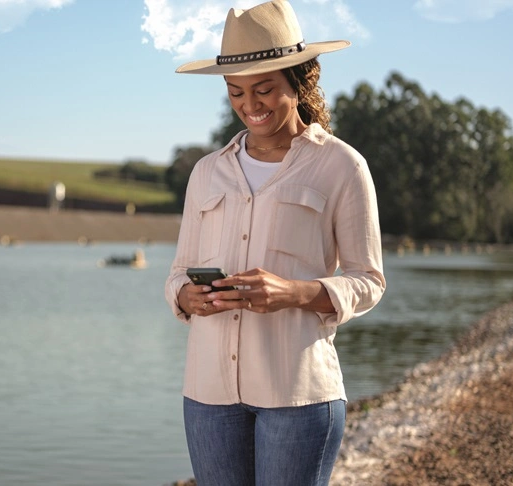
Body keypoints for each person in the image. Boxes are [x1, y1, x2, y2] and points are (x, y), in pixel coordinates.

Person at [163, 1, 386, 484]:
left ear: (300, 82)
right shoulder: (206, 172)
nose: (250, 104)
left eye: (264, 89)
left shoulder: (342, 166)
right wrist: (188, 295)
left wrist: (294, 292)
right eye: (236, 92)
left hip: (298, 395)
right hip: (208, 396)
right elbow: (178, 273)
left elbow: (368, 281)